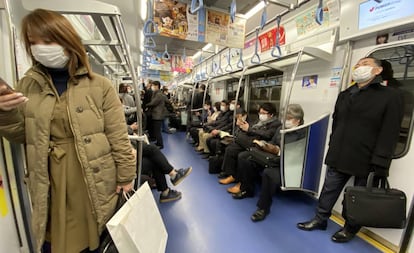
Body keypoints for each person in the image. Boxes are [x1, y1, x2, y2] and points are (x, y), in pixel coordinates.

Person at [0, 9, 136, 253]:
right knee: (53, 240)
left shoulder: (100, 86)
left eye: (48, 40)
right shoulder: (27, 85)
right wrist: (6, 113)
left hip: (92, 174)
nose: (41, 48)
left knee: (96, 237)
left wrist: (126, 175)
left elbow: (118, 135)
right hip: (49, 176)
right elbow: (21, 135)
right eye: (33, 42)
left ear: (67, 40)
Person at [296, 57, 403, 243]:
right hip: (340, 152)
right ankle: (320, 219)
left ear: (377, 71)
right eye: (358, 64)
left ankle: (350, 228)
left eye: (365, 64)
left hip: (367, 156)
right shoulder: (346, 94)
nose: (359, 67)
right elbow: (337, 123)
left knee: (359, 196)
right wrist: (332, 145)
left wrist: (381, 162)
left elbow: (390, 132)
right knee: (329, 189)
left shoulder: (390, 96)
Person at [233, 104, 305, 222]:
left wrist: (278, 151)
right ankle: (247, 189)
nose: (285, 121)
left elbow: (296, 154)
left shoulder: (302, 132)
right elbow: (273, 141)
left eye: (289, 118)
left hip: (286, 162)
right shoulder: (281, 128)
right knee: (244, 157)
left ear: (297, 120)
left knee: (269, 173)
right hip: (271, 156)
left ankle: (263, 208)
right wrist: (264, 145)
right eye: (285, 117)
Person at [218, 103, 281, 195]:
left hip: (260, 144)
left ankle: (242, 183)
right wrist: (243, 127)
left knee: (242, 156)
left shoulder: (276, 124)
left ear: (271, 114)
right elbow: (250, 129)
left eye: (264, 113)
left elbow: (268, 135)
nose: (261, 115)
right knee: (231, 149)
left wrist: (249, 129)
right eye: (260, 112)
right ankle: (233, 175)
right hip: (251, 140)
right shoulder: (258, 121)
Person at [127, 124, 192, 203]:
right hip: (126, 160)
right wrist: (130, 128)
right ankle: (172, 176)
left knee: (154, 158)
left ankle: (167, 189)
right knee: (152, 150)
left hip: (129, 150)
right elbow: (123, 131)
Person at [145, 80, 168, 149]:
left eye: (153, 86)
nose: (152, 87)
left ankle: (160, 145)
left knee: (157, 131)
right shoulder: (157, 93)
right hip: (156, 114)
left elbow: (153, 103)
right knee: (156, 130)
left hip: (158, 115)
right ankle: (158, 142)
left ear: (157, 86)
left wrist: (146, 105)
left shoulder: (158, 94)